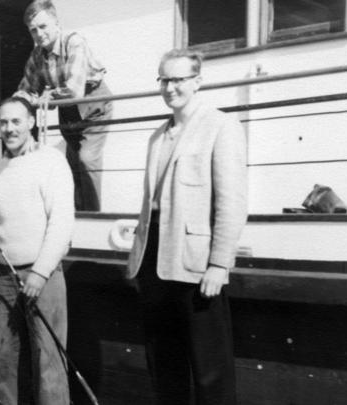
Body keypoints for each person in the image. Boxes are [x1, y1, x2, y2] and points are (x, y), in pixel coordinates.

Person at [126, 49, 248, 405]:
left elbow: (232, 202)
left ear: (197, 82)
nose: (170, 88)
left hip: (195, 266)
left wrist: (219, 264)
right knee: (164, 364)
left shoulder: (221, 126)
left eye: (178, 79)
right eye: (164, 79)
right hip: (153, 264)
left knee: (211, 370)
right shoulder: (157, 137)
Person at [0, 97, 75, 405]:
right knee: (5, 360)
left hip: (41, 277)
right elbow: (2, 220)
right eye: (3, 122)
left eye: (16, 121)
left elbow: (62, 224)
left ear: (31, 123)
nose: (9, 129)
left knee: (49, 361)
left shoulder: (52, 161)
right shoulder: (1, 167)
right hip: (3, 276)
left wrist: (40, 272)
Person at [14, 0, 112, 212]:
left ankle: (94, 217)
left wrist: (45, 96)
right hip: (68, 112)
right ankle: (77, 216)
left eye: (43, 27)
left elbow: (74, 91)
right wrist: (17, 105)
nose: (39, 34)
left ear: (57, 24)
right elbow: (26, 90)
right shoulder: (37, 55)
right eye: (33, 30)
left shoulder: (74, 42)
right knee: (72, 166)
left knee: (87, 160)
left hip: (94, 105)